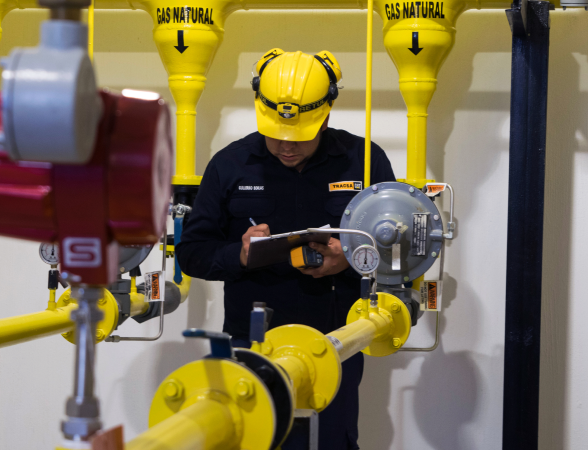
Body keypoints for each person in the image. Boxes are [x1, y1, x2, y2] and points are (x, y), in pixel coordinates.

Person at [176, 48, 395, 450]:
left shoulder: (365, 162)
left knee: (331, 443)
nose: (285, 146)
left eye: (299, 136)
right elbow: (191, 252)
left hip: (336, 342)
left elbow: (397, 249)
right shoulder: (230, 165)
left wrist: (349, 260)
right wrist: (239, 255)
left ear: (326, 115)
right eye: (274, 133)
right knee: (253, 440)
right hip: (252, 343)